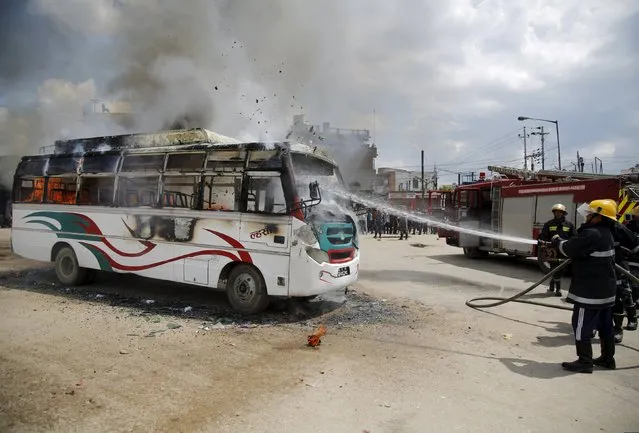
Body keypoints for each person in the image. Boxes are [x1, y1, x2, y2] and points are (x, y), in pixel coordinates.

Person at [551, 199, 618, 373]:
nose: (586, 216)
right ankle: (607, 358)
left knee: (581, 325)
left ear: (598, 217)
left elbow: (569, 249)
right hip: (606, 290)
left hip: (589, 291)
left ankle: (585, 361)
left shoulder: (592, 233)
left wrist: (557, 241)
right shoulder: (607, 232)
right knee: (605, 326)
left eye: (590, 213)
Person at [539, 203, 577, 297]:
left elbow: (574, 237)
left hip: (564, 250)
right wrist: (544, 248)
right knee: (554, 268)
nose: (557, 213)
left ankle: (552, 282)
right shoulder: (549, 224)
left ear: (563, 213)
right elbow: (544, 236)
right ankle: (558, 290)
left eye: (560, 212)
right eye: (556, 212)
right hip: (552, 251)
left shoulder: (569, 225)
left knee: (561, 269)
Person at [611, 218, 639, 342]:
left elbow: (635, 245)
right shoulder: (590, 227)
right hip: (600, 267)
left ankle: (625, 324)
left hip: (619, 264)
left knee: (624, 294)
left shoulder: (619, 228)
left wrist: (625, 251)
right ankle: (597, 324)